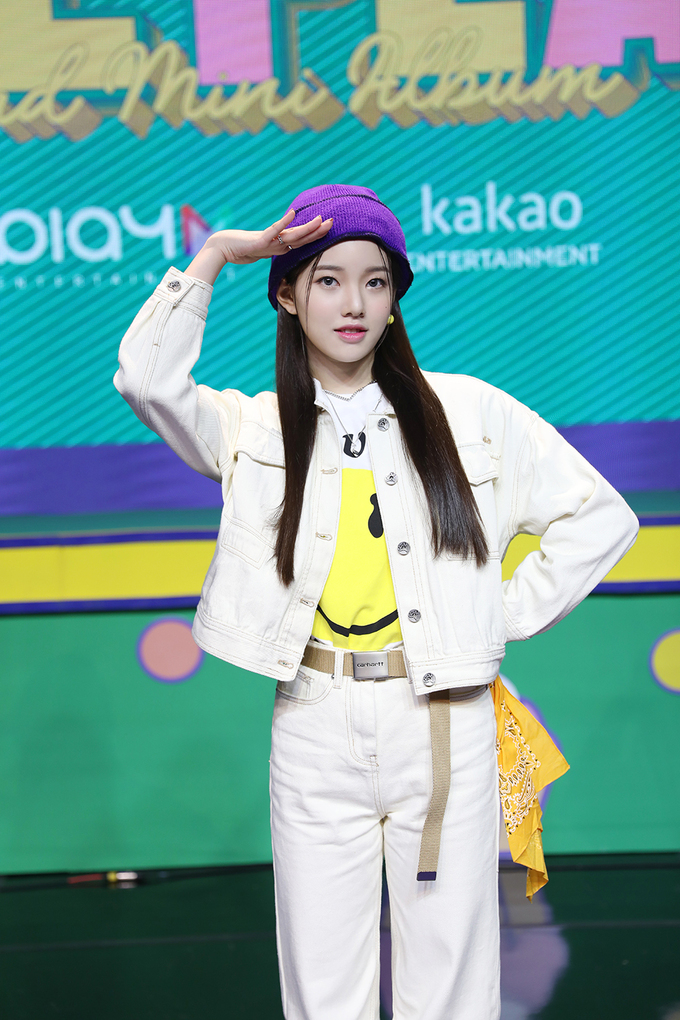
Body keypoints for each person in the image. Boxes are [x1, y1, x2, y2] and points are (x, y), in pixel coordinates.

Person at [114, 184, 638, 1020]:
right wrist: (214, 257)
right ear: (288, 296)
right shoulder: (253, 427)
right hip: (314, 718)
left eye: (375, 281)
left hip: (442, 720)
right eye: (327, 280)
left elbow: (600, 517)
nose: (353, 303)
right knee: (323, 989)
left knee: (451, 986)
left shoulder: (469, 411)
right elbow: (146, 381)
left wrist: (493, 619)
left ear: (395, 300)